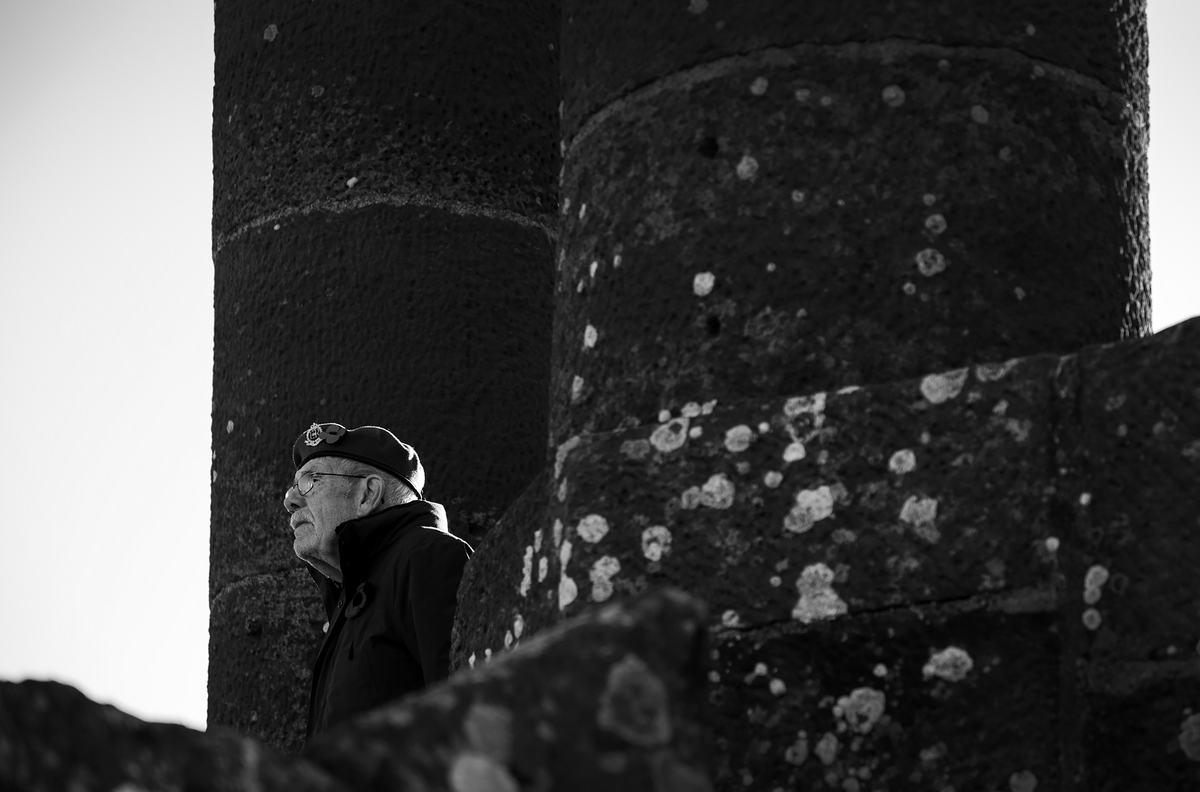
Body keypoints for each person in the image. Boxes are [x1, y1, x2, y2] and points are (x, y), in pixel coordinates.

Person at [283, 421, 472, 743]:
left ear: (367, 494)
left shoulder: (428, 558)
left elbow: (466, 719)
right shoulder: (352, 594)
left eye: (310, 481)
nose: (290, 500)